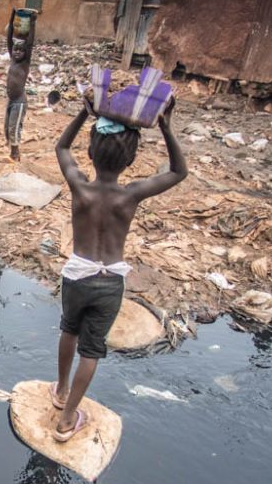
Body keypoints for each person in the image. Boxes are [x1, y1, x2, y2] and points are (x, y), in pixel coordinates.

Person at [50, 97, 187, 441]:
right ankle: (67, 420)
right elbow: (178, 172)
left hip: (77, 275)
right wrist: (167, 127)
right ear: (131, 160)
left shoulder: (80, 186)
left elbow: (62, 146)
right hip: (109, 281)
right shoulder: (131, 194)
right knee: (92, 349)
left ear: (92, 154)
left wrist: (85, 111)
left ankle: (61, 390)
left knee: (69, 329)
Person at [5, 8, 36, 162]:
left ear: (25, 53)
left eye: (20, 51)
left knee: (14, 127)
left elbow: (29, 42)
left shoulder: (24, 63)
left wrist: (33, 21)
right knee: (7, 127)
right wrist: (12, 18)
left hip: (19, 102)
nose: (17, 52)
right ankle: (12, 150)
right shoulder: (13, 58)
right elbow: (9, 38)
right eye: (15, 50)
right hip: (11, 100)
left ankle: (15, 154)